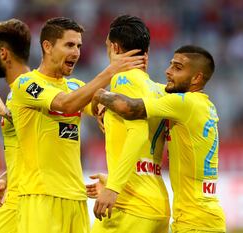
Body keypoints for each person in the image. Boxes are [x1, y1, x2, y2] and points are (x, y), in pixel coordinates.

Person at [0, 17, 146, 233]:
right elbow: (65, 104)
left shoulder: (76, 86)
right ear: (48, 46)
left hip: (76, 198)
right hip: (40, 198)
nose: (76, 52)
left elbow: (102, 108)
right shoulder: (26, 84)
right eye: (69, 45)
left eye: (79, 46)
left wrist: (129, 91)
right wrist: (110, 72)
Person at [91, 45, 226, 232]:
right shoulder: (202, 105)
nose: (168, 71)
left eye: (177, 68)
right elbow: (157, 91)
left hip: (196, 221)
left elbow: (130, 108)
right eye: (170, 65)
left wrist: (99, 94)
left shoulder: (185, 103)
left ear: (196, 78)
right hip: (200, 215)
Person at [86, 15, 170, 233]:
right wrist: (114, 178)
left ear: (114, 48)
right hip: (156, 204)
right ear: (147, 53)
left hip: (130, 207)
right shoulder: (159, 90)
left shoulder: (124, 80)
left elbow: (138, 134)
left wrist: (113, 188)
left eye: (107, 47)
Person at [0, 18, 31, 233]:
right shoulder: (16, 91)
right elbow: (28, 144)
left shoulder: (30, 87)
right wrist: (8, 176)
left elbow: (44, 132)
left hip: (28, 198)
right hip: (17, 194)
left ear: (4, 54)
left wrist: (5, 113)